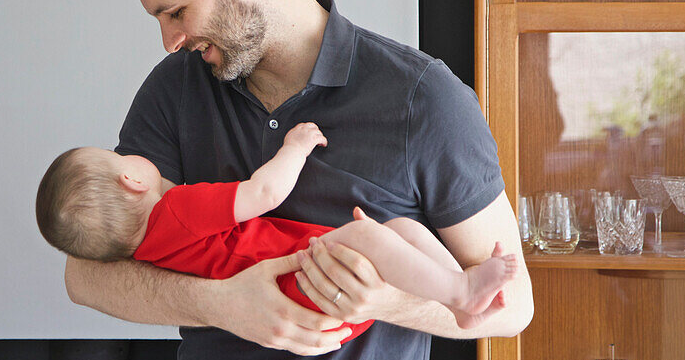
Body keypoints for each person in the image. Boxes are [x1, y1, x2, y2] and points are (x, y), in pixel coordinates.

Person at [64, 0, 533, 360]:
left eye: (176, 12)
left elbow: (513, 308)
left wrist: (382, 298)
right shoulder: (174, 90)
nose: (170, 40)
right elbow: (85, 274)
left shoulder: (423, 99)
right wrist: (222, 304)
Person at [38, 122, 519, 344]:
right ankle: (461, 288)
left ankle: (462, 302)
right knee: (376, 234)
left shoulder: (147, 252)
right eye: (120, 157)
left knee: (398, 231)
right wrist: (296, 146)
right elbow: (263, 192)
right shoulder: (176, 209)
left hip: (310, 312)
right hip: (306, 277)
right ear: (132, 179)